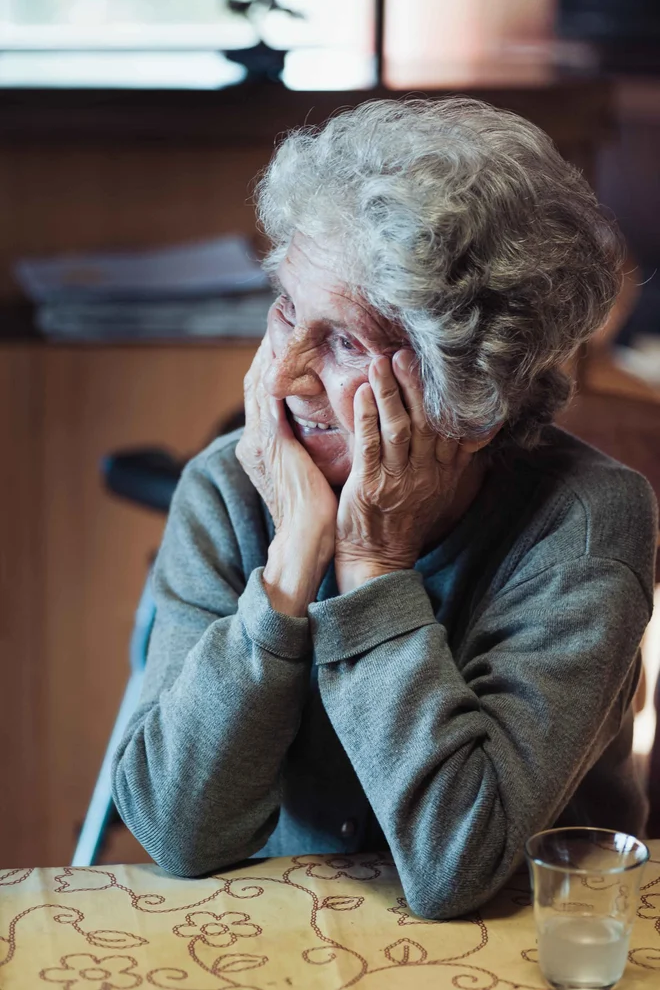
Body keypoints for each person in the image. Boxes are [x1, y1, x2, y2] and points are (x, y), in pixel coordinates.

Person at [112, 98, 658, 919]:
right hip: (290, 947)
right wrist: (291, 566)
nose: (286, 375)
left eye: (343, 342)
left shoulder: (587, 523)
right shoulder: (230, 488)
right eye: (288, 310)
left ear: (471, 393)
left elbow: (457, 868)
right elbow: (177, 830)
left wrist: (372, 565)